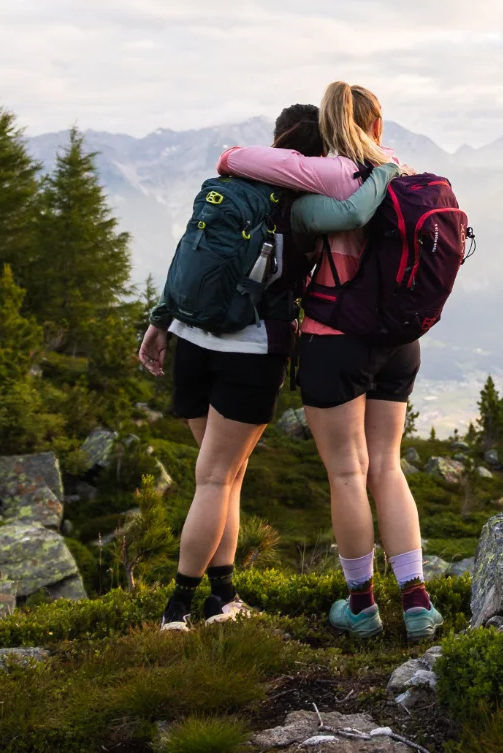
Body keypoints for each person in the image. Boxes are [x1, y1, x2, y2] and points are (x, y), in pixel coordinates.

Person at [136, 104, 388, 631]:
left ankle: (223, 599)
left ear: (276, 139)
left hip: (191, 341)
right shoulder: (298, 207)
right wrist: (384, 170)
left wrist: (161, 321)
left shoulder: (225, 184)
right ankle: (177, 610)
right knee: (214, 479)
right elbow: (352, 215)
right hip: (249, 351)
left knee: (226, 477)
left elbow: (190, 252)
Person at [214, 81, 442, 643]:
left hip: (336, 338)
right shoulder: (407, 173)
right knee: (387, 466)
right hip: (400, 341)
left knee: (347, 473)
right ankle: (417, 603)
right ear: (378, 125)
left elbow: (231, 159)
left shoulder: (336, 173)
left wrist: (291, 161)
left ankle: (361, 606)